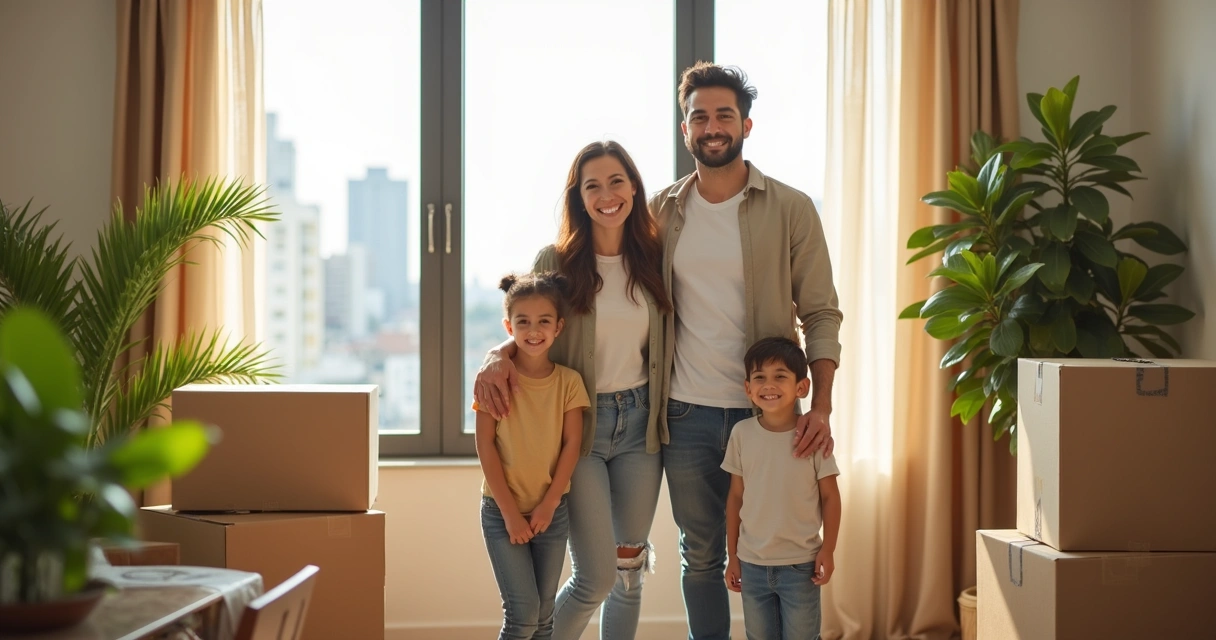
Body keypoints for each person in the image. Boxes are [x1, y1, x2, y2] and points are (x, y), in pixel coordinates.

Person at [650, 62, 843, 639]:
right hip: (685, 412)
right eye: (699, 116)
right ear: (685, 129)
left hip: (774, 418)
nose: (712, 126)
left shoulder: (791, 207)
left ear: (746, 125)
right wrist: (506, 350)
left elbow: (821, 313)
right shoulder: (660, 213)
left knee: (788, 550)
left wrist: (822, 407)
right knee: (703, 554)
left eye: (724, 115)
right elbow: (585, 273)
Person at [475, 141, 672, 640]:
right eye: (593, 186)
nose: (607, 195)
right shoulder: (556, 259)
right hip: (580, 425)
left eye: (616, 182)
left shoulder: (653, 256)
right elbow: (532, 324)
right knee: (595, 577)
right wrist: (497, 354)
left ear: (633, 188)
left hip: (640, 422)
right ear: (578, 197)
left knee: (629, 569)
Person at [474, 272, 590, 640]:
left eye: (543, 321)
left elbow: (572, 444)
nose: (533, 330)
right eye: (523, 322)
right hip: (501, 512)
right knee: (522, 616)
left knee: (543, 618)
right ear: (509, 326)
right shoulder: (494, 381)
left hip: (550, 514)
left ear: (559, 327)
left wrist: (549, 504)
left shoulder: (569, 382)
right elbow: (485, 446)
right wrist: (510, 515)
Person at [723, 337, 842, 640]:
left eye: (780, 376)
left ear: (801, 387)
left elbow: (830, 498)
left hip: (801, 566)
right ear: (748, 388)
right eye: (759, 377)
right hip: (752, 565)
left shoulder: (813, 437)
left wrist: (828, 549)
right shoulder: (741, 434)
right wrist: (732, 556)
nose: (769, 385)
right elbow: (736, 499)